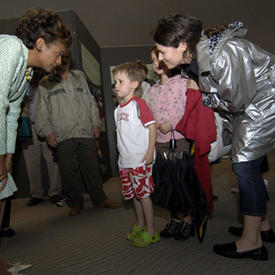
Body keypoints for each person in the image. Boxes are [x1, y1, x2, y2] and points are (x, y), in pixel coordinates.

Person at [154, 14, 275, 260]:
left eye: (162, 51)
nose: (161, 58)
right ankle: (261, 226)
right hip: (253, 105)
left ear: (181, 45)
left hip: (265, 102)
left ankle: (252, 242)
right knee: (250, 162)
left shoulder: (221, 55)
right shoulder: (199, 58)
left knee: (244, 164)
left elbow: (237, 100)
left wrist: (204, 92)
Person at [0, 6, 72, 272]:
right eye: (58, 54)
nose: (60, 61)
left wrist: (7, 157)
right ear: (41, 44)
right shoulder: (8, 47)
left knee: (5, 188)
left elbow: (12, 113)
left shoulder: (26, 70)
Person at [35, 52, 121, 216]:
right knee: (67, 172)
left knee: (92, 169)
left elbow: (91, 103)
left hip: (85, 132)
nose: (62, 60)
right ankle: (75, 203)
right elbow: (41, 112)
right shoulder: (45, 83)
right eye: (58, 57)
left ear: (69, 59)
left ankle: (100, 199)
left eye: (65, 57)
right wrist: (47, 132)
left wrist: (96, 123)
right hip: (62, 134)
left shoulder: (80, 78)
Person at [148, 47, 194, 240]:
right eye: (152, 60)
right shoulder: (152, 89)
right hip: (160, 143)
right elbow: (149, 115)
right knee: (167, 182)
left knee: (182, 181)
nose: (157, 62)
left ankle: (188, 220)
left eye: (160, 57)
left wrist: (172, 123)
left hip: (179, 141)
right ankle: (174, 219)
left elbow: (189, 111)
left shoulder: (183, 83)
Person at [113, 62, 159, 247]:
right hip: (125, 161)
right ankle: (140, 225)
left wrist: (149, 153)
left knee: (144, 195)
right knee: (134, 195)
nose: (116, 85)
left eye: (120, 81)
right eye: (115, 81)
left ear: (134, 84)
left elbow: (152, 126)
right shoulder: (118, 110)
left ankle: (151, 231)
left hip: (140, 159)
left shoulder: (139, 104)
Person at [21, 79, 62, 207]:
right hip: (28, 125)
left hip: (47, 125)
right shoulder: (21, 80)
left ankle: (55, 192)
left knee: (53, 160)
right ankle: (36, 194)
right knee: (31, 163)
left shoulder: (49, 81)